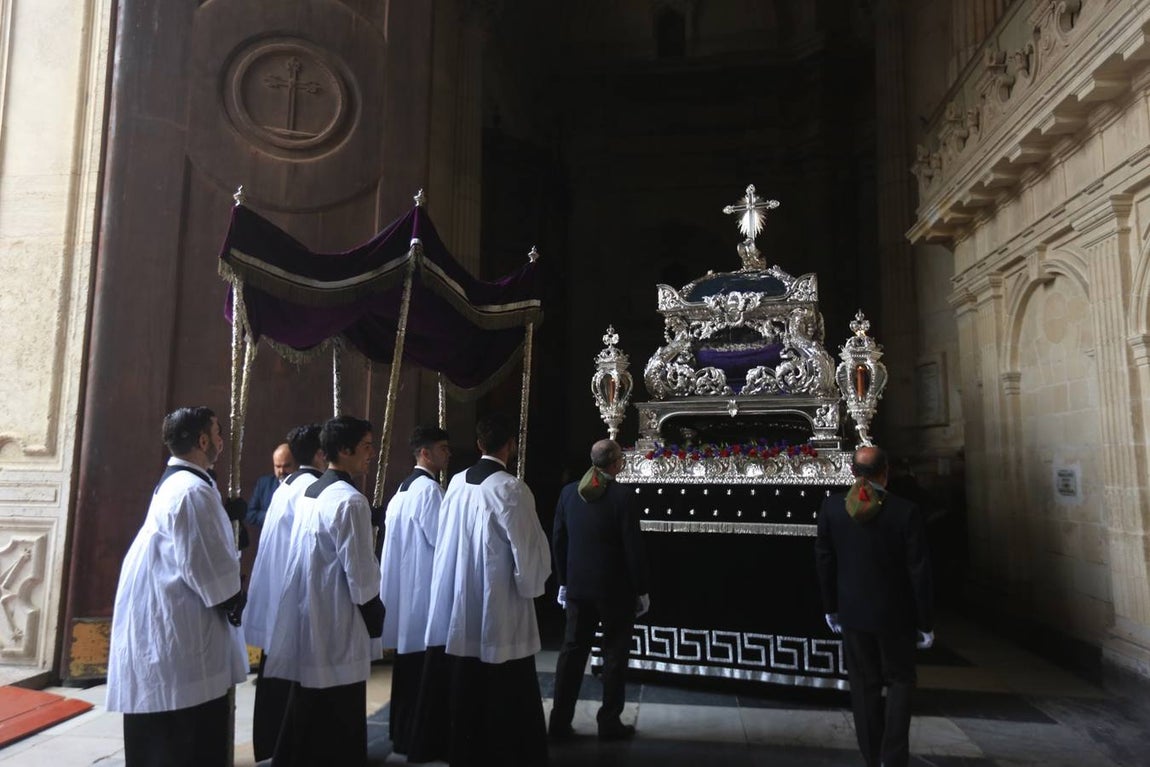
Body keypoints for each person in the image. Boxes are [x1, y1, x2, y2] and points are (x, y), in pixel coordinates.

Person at [105, 407, 248, 767]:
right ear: (202, 440)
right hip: (176, 625)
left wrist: (229, 523)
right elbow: (206, 567)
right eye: (217, 433)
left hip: (170, 613)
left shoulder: (189, 482)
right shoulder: (190, 491)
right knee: (177, 739)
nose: (220, 440)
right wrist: (234, 597)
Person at [413, 413, 551, 767]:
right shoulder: (511, 488)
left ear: (479, 445)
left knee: (467, 672)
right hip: (497, 597)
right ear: (511, 445)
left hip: (461, 593)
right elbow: (528, 548)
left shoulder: (457, 482)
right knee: (501, 673)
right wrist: (532, 584)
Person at [265, 416, 384, 767]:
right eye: (365, 447)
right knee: (338, 710)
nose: (371, 454)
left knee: (311, 705)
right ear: (343, 450)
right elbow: (360, 572)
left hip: (310, 612)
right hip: (336, 618)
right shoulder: (349, 500)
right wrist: (374, 613)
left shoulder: (311, 492)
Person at [815, 445, 934, 767]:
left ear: (852, 472)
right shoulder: (905, 510)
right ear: (886, 472)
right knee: (900, 681)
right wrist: (925, 621)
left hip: (852, 612)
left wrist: (830, 608)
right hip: (897, 615)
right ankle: (893, 759)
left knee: (864, 684)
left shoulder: (832, 508)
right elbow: (919, 570)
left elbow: (825, 562)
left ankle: (872, 756)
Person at [550, 439, 649, 741]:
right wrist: (641, 589)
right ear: (617, 463)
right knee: (615, 654)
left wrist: (563, 582)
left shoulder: (569, 493)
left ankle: (559, 721)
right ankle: (609, 722)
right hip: (615, 591)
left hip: (579, 587)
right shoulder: (623, 496)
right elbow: (633, 547)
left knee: (571, 653)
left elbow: (558, 540)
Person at [244, 423, 324, 762]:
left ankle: (270, 745)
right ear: (321, 453)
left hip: (276, 593)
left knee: (274, 682)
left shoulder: (287, 485)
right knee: (290, 684)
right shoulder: (312, 488)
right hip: (291, 598)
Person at [378, 425, 451, 755]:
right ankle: (422, 741)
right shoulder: (428, 491)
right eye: (442, 448)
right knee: (424, 674)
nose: (447, 454)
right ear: (425, 453)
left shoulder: (402, 490)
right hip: (423, 596)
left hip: (405, 594)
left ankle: (404, 734)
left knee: (409, 673)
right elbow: (442, 541)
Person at [246, 441, 296, 525]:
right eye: (278, 466)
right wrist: (273, 517)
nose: (282, 471)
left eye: (286, 466)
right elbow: (250, 514)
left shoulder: (303, 485)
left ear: (296, 464)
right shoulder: (264, 484)